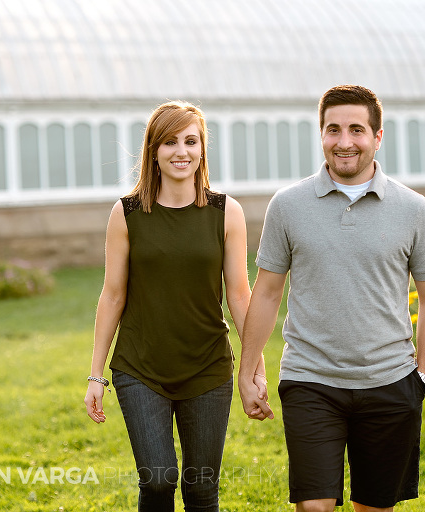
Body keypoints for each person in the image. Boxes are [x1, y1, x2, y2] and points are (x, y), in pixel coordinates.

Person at [238, 85, 425, 512]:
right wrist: (248, 371)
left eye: (357, 129)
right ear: (321, 135)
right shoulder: (288, 205)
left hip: (391, 382)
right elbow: (266, 292)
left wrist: (421, 376)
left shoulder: (414, 209)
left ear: (378, 136)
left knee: (375, 507)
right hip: (311, 379)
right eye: (333, 129)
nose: (345, 141)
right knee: (314, 506)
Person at [84, 100, 267, 512]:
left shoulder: (226, 212)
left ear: (202, 149)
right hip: (140, 367)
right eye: (169, 142)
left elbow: (240, 294)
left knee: (202, 490)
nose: (180, 151)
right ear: (153, 150)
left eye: (190, 140)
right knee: (158, 480)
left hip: (208, 368)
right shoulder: (127, 213)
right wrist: (96, 375)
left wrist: (255, 367)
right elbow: (112, 294)